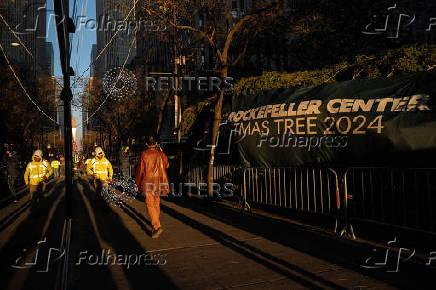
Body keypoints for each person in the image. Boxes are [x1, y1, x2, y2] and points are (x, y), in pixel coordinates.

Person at [135, 135, 169, 238]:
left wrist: (137, 184)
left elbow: (140, 170)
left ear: (146, 144)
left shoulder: (144, 154)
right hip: (159, 181)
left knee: (149, 204)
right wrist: (162, 153)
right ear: (156, 143)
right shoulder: (160, 154)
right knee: (156, 203)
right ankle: (156, 223)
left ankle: (156, 226)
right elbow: (167, 165)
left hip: (148, 182)